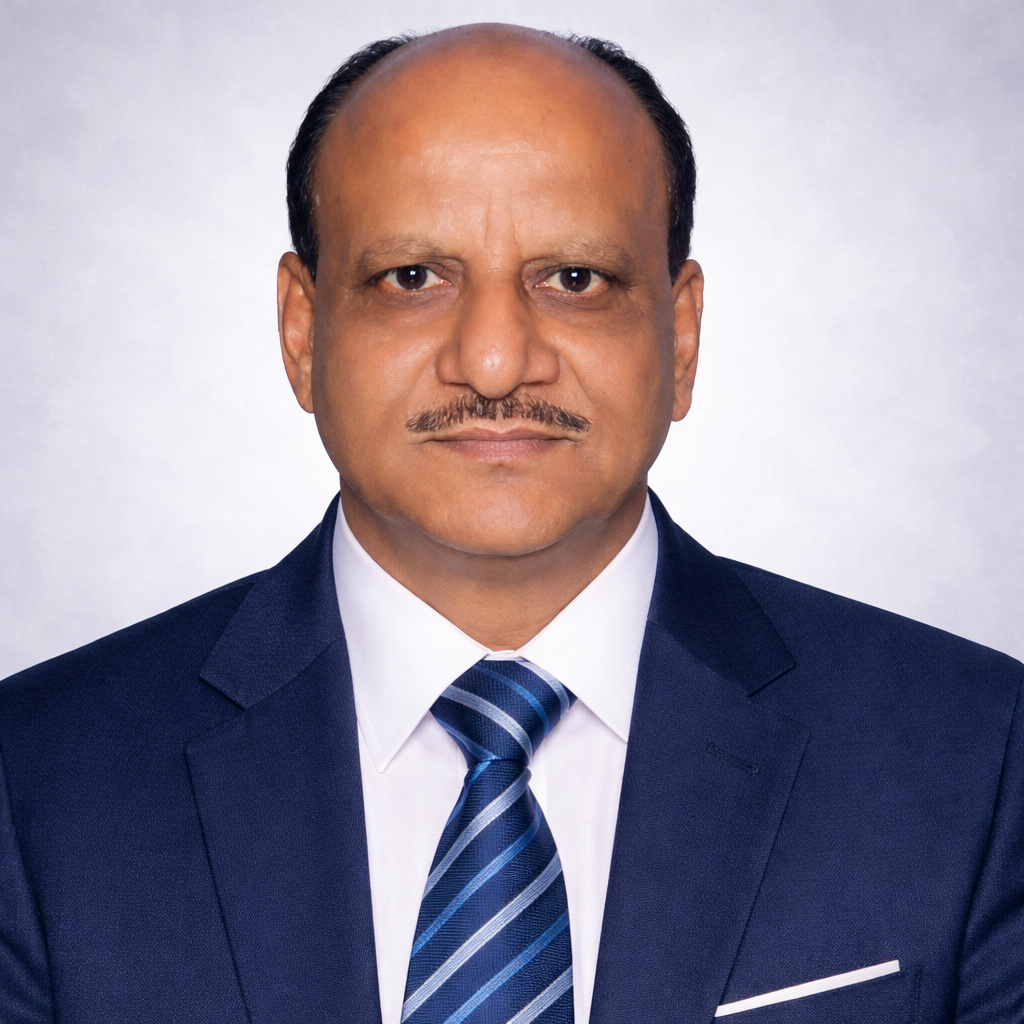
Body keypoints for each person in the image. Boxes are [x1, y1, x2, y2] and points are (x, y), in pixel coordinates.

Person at [1, 23, 1021, 1024]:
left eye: (574, 280)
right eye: (412, 278)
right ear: (302, 329)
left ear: (680, 333)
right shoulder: (36, 784)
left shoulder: (978, 759)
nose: (493, 362)